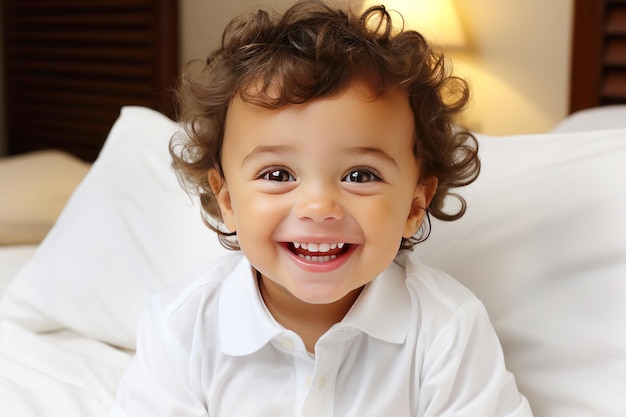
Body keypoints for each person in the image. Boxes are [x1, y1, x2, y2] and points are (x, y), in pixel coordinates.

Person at [110, 1, 533, 416]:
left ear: (414, 204)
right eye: (277, 175)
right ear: (227, 201)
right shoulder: (180, 327)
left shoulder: (446, 328)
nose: (318, 207)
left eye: (360, 176)